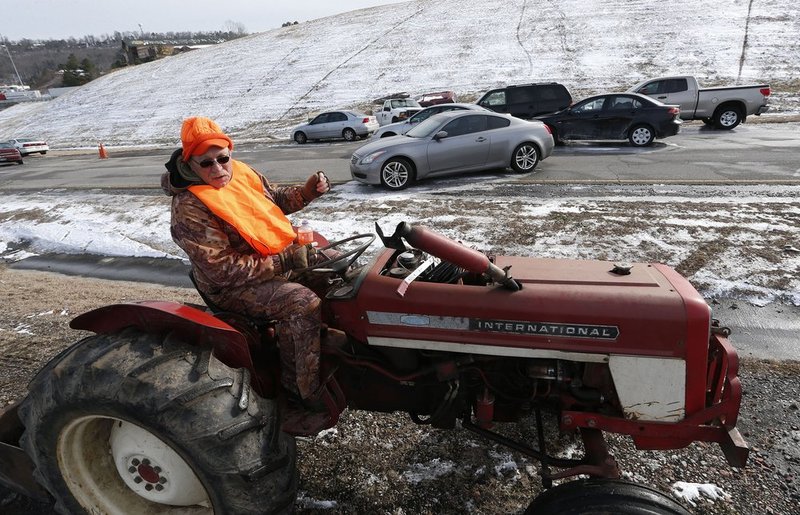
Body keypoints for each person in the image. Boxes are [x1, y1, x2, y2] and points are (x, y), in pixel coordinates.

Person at [161, 116, 342, 408]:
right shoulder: (189, 206)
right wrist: (284, 261)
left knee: (339, 267)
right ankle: (300, 394)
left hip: (277, 260)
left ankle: (341, 351)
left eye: (222, 158)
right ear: (190, 164)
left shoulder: (242, 173)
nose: (218, 168)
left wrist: (306, 193)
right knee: (301, 303)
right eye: (206, 163)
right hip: (232, 286)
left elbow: (274, 199)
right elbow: (222, 270)